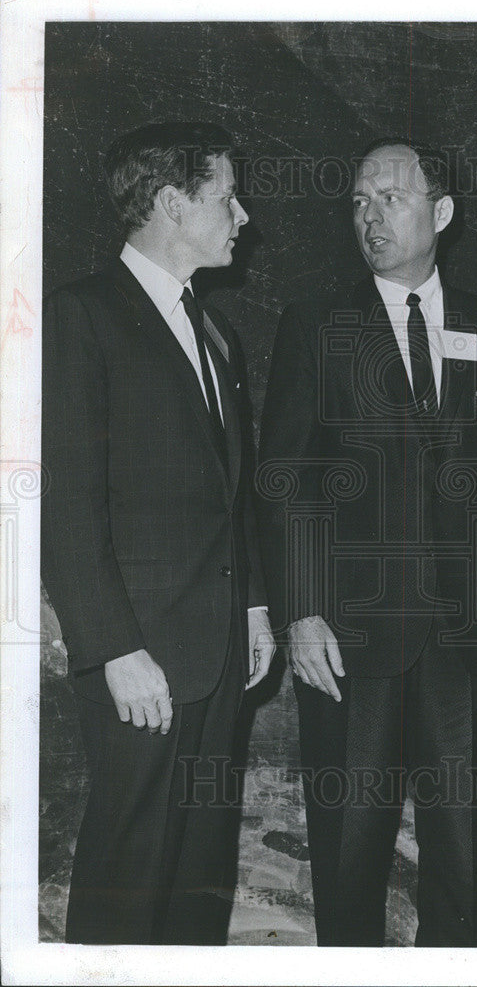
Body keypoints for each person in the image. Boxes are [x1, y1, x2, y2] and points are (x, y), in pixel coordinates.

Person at [257, 139, 477, 946]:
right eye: (357, 200)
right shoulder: (315, 324)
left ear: (442, 212)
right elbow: (286, 480)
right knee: (348, 851)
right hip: (352, 637)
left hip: (469, 637)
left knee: (459, 852)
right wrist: (302, 611)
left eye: (389, 197)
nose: (369, 215)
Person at [41, 122, 276, 945]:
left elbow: (229, 495)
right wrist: (112, 649)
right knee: (130, 866)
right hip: (141, 656)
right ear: (174, 204)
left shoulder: (216, 331)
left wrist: (251, 610)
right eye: (226, 197)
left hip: (214, 649)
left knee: (199, 871)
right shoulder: (81, 316)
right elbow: (66, 504)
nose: (243, 215)